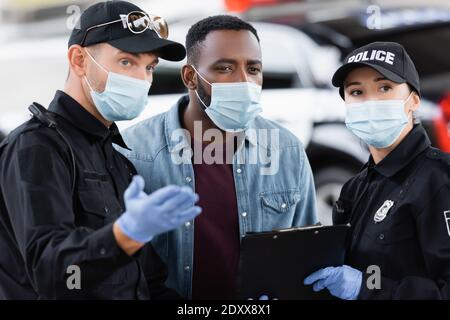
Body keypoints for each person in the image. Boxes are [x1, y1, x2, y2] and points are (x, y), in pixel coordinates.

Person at [0, 1, 201, 299]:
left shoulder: (116, 158)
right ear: (79, 60)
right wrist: (123, 236)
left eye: (149, 67)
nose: (141, 79)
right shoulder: (36, 148)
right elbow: (55, 274)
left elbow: (149, 282)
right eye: (126, 62)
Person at [117, 15, 318, 299]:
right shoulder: (133, 150)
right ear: (190, 76)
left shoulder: (287, 151)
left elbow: (306, 254)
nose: (244, 81)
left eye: (253, 69)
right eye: (225, 68)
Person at [304, 42, 450, 300]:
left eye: (385, 88)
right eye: (357, 92)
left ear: (413, 101)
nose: (370, 101)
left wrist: (366, 287)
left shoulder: (439, 180)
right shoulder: (355, 188)